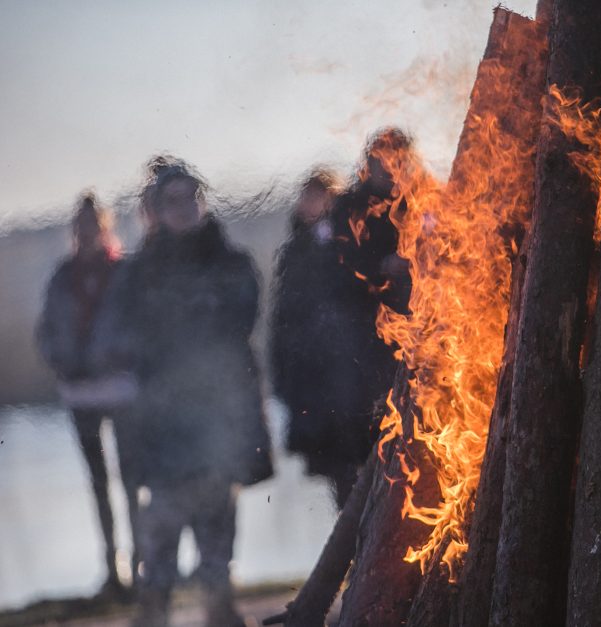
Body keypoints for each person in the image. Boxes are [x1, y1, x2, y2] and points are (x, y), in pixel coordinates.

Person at [91, 160, 273, 627]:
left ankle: (220, 612)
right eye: (172, 200)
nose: (184, 208)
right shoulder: (137, 275)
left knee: (217, 529)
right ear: (155, 210)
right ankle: (153, 615)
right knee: (162, 532)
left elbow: (239, 321)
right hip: (162, 426)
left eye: (191, 197)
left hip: (220, 420)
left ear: (202, 201)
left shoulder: (231, 262)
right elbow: (117, 338)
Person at [270, 165, 398, 508]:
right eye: (308, 196)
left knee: (372, 469)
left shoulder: (355, 241)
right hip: (316, 379)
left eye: (321, 195)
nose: (313, 203)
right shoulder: (295, 249)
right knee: (340, 477)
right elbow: (283, 317)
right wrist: (283, 379)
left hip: (357, 373)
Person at [36, 192, 134, 599]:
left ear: (106, 228)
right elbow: (46, 332)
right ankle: (113, 570)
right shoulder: (63, 276)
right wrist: (63, 362)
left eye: (94, 225)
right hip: (80, 395)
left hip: (122, 390)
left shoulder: (124, 272)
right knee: (98, 483)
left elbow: (140, 325)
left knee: (132, 479)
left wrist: (116, 356)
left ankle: (144, 564)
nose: (88, 232)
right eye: (81, 226)